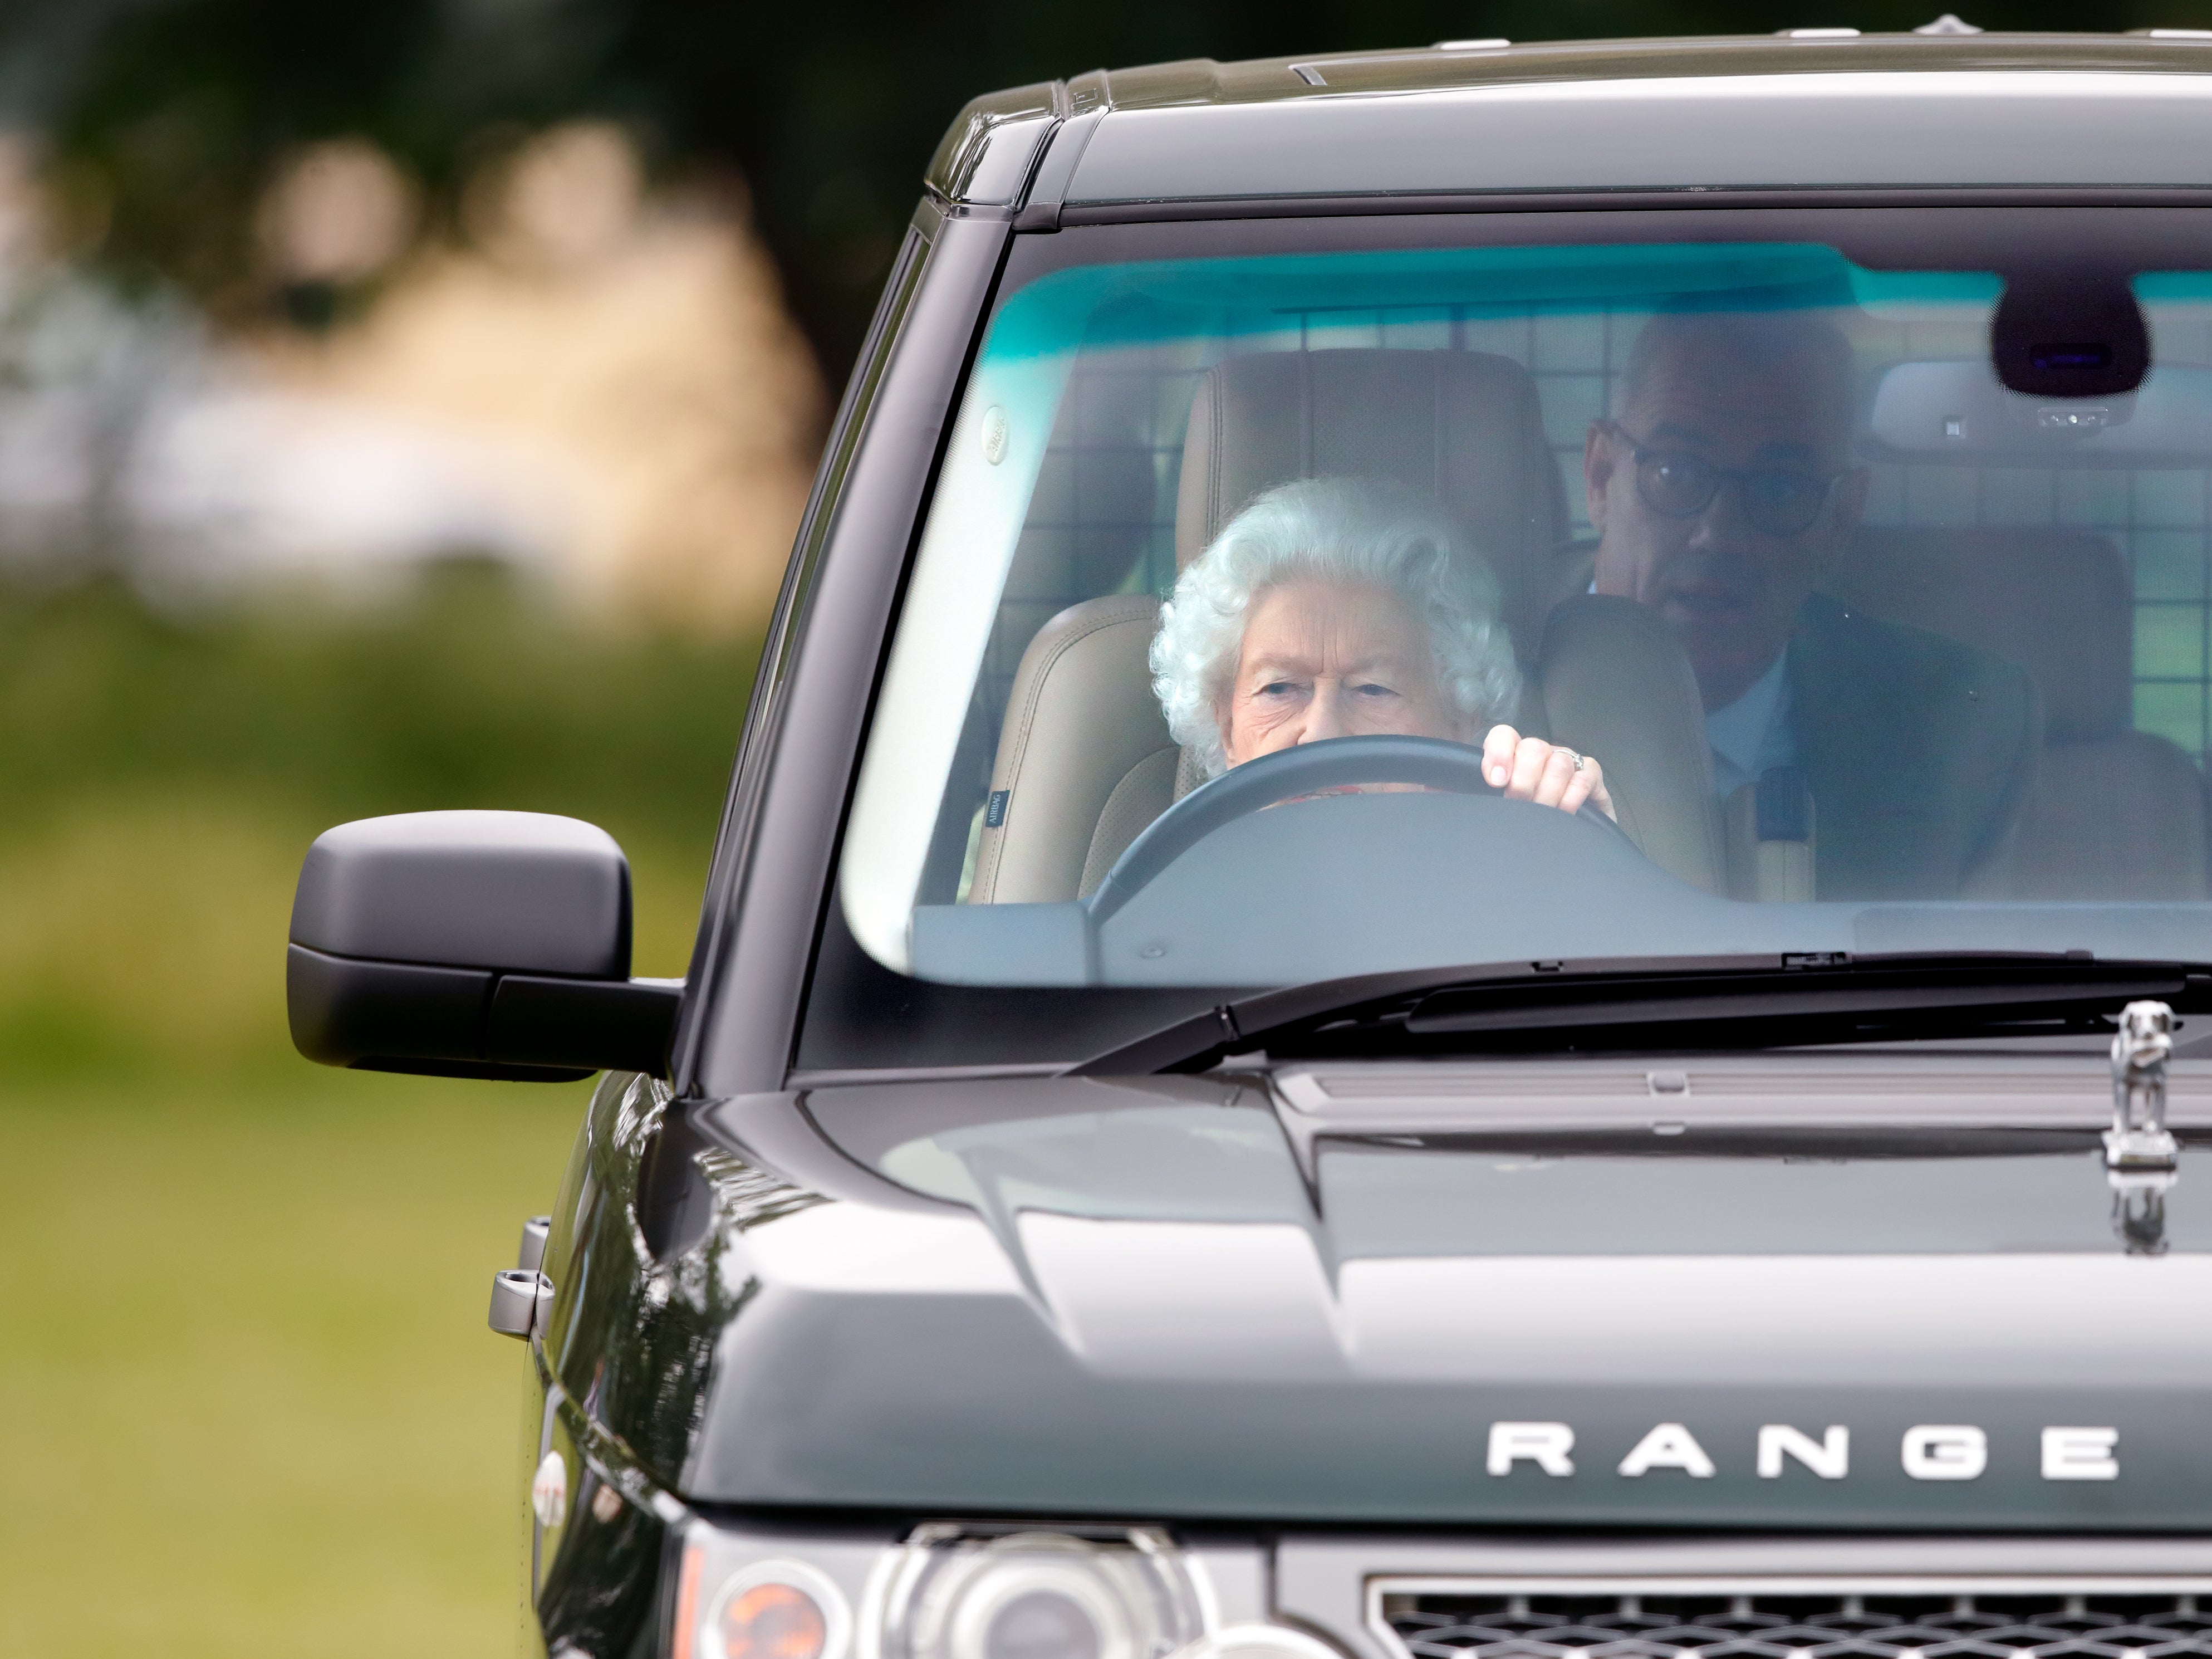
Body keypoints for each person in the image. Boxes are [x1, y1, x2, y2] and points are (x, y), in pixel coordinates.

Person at [1583, 307, 2039, 897]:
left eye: (1779, 487)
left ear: (1843, 516)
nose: (1717, 534)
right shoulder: (1464, 690)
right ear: (1600, 477)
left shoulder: (1960, 725)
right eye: (1676, 472)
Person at [1151, 476, 1613, 818]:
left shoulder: (1506, 870)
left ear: (1459, 721)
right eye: (1279, 689)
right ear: (1228, 728)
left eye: (1373, 689)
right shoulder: (1170, 906)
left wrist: (1569, 842)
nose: (1322, 733)